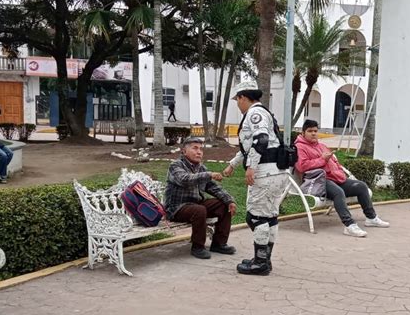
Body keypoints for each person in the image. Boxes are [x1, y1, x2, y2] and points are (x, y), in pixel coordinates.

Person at [223, 81, 288, 276]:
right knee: (270, 217)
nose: (237, 104)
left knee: (256, 217)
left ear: (243, 97)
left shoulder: (254, 114)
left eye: (238, 100)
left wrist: (251, 167)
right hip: (278, 172)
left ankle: (260, 262)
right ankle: (264, 259)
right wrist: (233, 165)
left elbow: (261, 141)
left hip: (265, 173)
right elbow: (250, 147)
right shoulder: (264, 113)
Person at [295, 120, 389, 237]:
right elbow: (302, 166)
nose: (313, 133)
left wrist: (339, 172)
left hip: (335, 178)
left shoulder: (322, 146)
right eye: (310, 131)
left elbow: (335, 162)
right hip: (318, 181)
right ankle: (349, 225)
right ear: (303, 133)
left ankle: (371, 218)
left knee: (361, 186)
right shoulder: (299, 147)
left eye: (315, 131)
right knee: (338, 193)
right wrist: (322, 159)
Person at [165, 137, 237, 259]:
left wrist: (229, 200)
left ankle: (219, 244)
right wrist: (209, 174)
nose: (199, 152)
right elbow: (185, 179)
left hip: (195, 205)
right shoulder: (176, 166)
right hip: (177, 208)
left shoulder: (200, 167)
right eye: (195, 148)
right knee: (199, 209)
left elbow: (212, 187)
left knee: (224, 205)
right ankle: (198, 247)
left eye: (201, 149)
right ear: (184, 151)